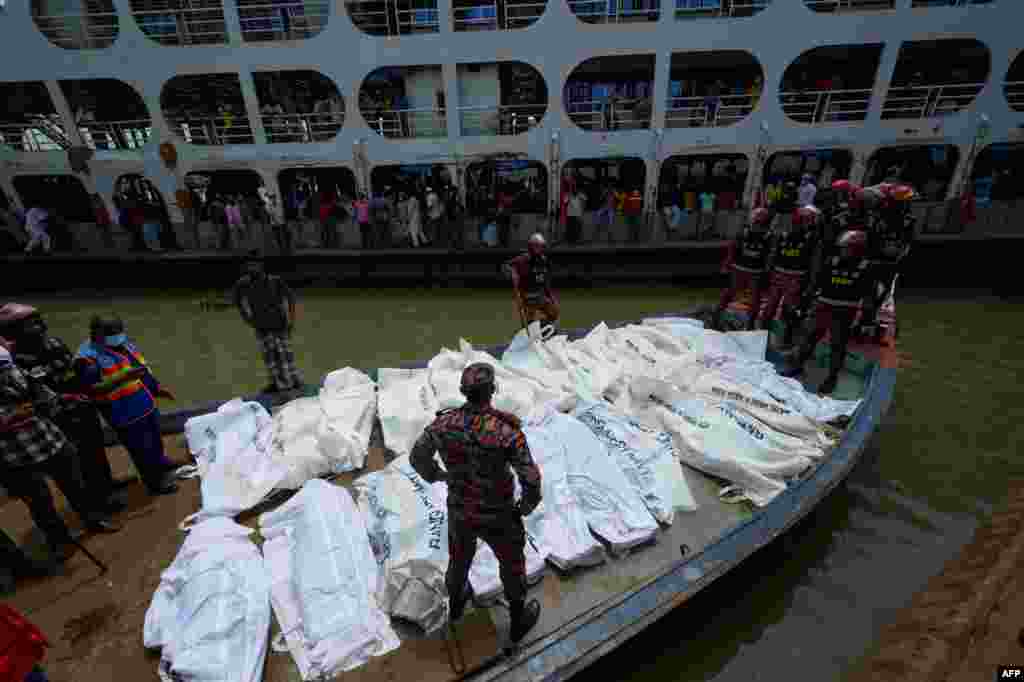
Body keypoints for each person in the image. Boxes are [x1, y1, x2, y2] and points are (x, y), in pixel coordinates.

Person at [409, 362, 542, 644]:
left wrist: (438, 475)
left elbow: (417, 457)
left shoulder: (443, 424)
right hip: (499, 514)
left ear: (463, 391)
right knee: (512, 566)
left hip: (461, 510)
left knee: (458, 561)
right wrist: (527, 505)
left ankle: (456, 606)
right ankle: (517, 621)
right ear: (492, 390)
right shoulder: (506, 431)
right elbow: (530, 477)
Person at [1, 337, 122, 565]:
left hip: (50, 439)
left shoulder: (16, 371)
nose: (5, 373)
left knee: (76, 485)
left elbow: (46, 398)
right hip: (15, 455)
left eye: (6, 367)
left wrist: (60, 398)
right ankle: (59, 541)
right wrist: (12, 417)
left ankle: (92, 519)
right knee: (40, 502)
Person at [1, 304, 128, 514]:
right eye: (31, 324)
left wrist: (86, 374)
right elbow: (32, 396)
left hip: (82, 406)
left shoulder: (55, 343)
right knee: (79, 461)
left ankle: (106, 484)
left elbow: (72, 372)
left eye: (38, 320)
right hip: (58, 417)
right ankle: (98, 501)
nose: (40, 326)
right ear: (13, 332)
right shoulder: (13, 363)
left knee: (95, 449)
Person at [74, 315, 179, 496]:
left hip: (145, 402)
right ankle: (154, 482)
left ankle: (160, 462)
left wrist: (156, 388)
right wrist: (123, 378)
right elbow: (91, 390)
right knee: (141, 449)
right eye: (111, 333)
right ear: (96, 334)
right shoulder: (86, 358)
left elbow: (140, 368)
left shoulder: (124, 344)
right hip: (122, 413)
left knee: (154, 439)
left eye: (118, 332)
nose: (117, 336)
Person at [781, 230, 876, 395]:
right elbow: (817, 282)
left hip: (845, 311)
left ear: (857, 250)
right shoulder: (832, 261)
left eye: (847, 248)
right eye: (843, 247)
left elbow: (868, 296)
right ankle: (797, 367)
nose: (843, 251)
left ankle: (832, 378)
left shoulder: (866, 267)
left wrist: (865, 319)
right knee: (810, 337)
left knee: (837, 345)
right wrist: (805, 302)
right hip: (823, 306)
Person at [232, 255, 303, 394]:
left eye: (255, 265)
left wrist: (291, 320)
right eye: (249, 265)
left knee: (284, 355)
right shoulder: (243, 284)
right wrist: (247, 318)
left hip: (280, 324)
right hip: (261, 327)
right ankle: (276, 383)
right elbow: (238, 301)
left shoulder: (275, 281)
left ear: (261, 266)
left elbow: (290, 299)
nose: (252, 268)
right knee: (269, 357)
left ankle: (293, 381)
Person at [757, 205, 822, 347]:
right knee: (770, 308)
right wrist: (768, 272)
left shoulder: (813, 238)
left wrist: (811, 284)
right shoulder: (784, 235)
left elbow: (814, 263)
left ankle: (786, 340)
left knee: (789, 310)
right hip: (780, 275)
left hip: (796, 277)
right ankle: (761, 337)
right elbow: (773, 255)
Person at [861, 183, 916, 343]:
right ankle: (868, 326)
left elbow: (907, 244)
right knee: (875, 295)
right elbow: (872, 239)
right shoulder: (882, 217)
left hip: (889, 263)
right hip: (880, 261)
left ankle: (875, 328)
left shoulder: (905, 219)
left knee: (882, 297)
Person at [711, 207, 773, 331]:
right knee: (733, 293)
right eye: (756, 222)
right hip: (742, 269)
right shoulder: (747, 232)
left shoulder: (768, 236)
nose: (757, 225)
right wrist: (727, 264)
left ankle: (747, 323)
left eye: (759, 223)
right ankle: (717, 315)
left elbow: (769, 255)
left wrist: (767, 271)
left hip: (753, 271)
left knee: (753, 298)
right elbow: (733, 248)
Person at [503, 233, 560, 335]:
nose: (538, 249)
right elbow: (506, 266)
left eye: (540, 246)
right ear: (530, 246)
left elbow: (545, 281)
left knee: (554, 312)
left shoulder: (544, 261)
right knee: (528, 326)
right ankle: (528, 333)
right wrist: (513, 272)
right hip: (527, 297)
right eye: (535, 246)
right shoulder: (523, 259)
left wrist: (551, 297)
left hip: (540, 295)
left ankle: (542, 329)